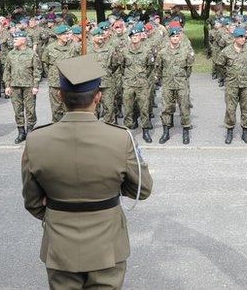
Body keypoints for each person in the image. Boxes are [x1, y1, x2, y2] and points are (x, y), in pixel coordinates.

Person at [21, 55, 153, 290]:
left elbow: (32, 201)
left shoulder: (36, 140)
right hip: (107, 242)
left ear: (59, 96)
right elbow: (142, 190)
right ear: (98, 96)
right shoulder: (120, 138)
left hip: (60, 242)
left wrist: (58, 214)